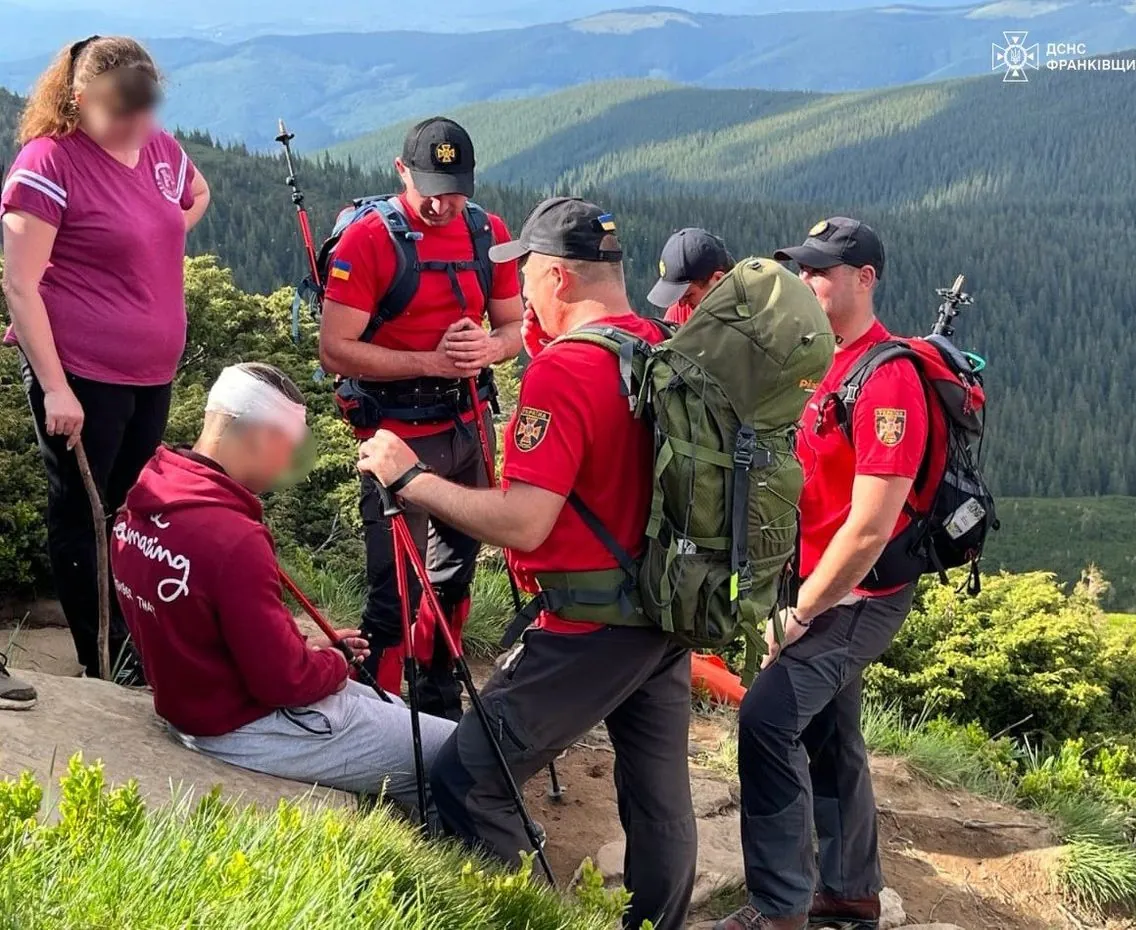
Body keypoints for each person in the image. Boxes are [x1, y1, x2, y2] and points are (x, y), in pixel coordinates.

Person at [357, 197, 697, 930]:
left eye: (529, 276)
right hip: (665, 607)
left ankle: (532, 920)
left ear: (560, 280)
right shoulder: (658, 347)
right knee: (659, 800)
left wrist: (410, 477)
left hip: (589, 625)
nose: (519, 294)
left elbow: (524, 519)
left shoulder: (566, 370)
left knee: (467, 778)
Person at [715, 217, 943, 930]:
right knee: (829, 731)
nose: (805, 283)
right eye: (802, 270)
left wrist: (802, 612)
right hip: (815, 581)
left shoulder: (889, 378)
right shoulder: (825, 359)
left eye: (820, 272)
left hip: (857, 595)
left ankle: (779, 907)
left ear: (864, 279)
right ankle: (849, 896)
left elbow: (871, 527)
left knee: (765, 720)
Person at [109, 362, 456, 812]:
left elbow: (203, 620)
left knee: (397, 710)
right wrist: (334, 662)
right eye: (287, 448)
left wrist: (300, 648)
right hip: (244, 725)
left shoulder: (147, 494)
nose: (286, 466)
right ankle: (472, 858)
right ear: (258, 436)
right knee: (458, 753)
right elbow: (285, 682)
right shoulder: (232, 539)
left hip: (191, 702)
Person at [1, 35, 210, 685]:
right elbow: (19, 283)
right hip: (81, 374)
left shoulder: (157, 148)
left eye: (145, 107)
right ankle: (108, 662)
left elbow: (195, 194)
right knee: (85, 515)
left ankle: (132, 639)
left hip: (153, 372)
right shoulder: (48, 164)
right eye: (121, 110)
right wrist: (56, 387)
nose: (135, 123)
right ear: (77, 99)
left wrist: (153, 244)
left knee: (129, 510)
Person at [318, 116, 522, 721]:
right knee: (394, 589)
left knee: (454, 576)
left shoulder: (488, 232)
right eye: (430, 184)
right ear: (401, 171)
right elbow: (335, 349)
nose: (442, 201)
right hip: (395, 433)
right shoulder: (369, 241)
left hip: (466, 423)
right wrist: (429, 361)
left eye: (454, 186)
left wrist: (492, 349)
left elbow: (515, 326)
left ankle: (438, 700)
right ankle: (379, 714)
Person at [646, 226, 734, 325]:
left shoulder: (753, 314)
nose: (682, 304)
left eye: (688, 295)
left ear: (718, 280)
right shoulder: (680, 313)